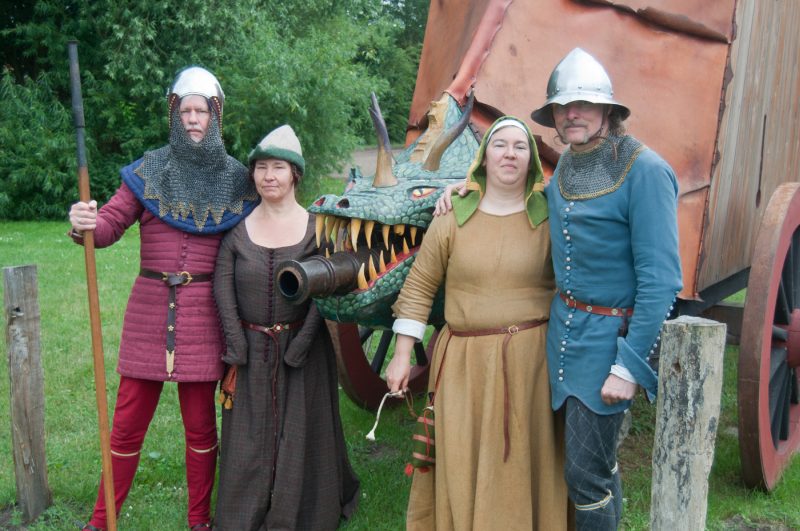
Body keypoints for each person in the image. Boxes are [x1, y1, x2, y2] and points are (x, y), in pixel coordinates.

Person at [436, 48, 683, 530]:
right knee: (591, 467)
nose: (572, 114)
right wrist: (466, 186)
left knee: (584, 475)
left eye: (584, 104)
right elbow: (523, 201)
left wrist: (629, 367)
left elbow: (661, 283)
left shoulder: (646, 170)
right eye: (562, 105)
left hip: (608, 342)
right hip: (562, 337)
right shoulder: (566, 168)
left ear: (608, 110)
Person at [69, 66, 258, 531]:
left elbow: (258, 238)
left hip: (202, 320)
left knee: (200, 431)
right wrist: (85, 222)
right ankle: (100, 522)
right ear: (174, 114)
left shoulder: (237, 180)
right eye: (186, 110)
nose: (194, 119)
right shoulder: (148, 171)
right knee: (126, 428)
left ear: (216, 116)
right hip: (148, 316)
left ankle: (200, 522)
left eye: (202, 111)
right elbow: (109, 225)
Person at [386, 116, 571, 530]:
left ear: (532, 159)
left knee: (527, 458)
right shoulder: (452, 215)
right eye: (499, 145)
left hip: (531, 364)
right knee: (462, 455)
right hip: (463, 365)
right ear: (483, 157)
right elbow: (418, 288)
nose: (509, 154)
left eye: (519, 147)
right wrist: (401, 356)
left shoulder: (550, 218)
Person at [212, 125, 360, 530]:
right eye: (261, 167)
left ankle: (301, 512)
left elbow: (325, 292)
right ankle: (244, 514)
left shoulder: (317, 229)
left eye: (278, 167)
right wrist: (235, 344)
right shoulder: (237, 231)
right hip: (249, 350)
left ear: (295, 174)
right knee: (246, 440)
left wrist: (302, 343)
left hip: (304, 351)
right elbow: (222, 285)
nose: (268, 176)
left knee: (299, 434)